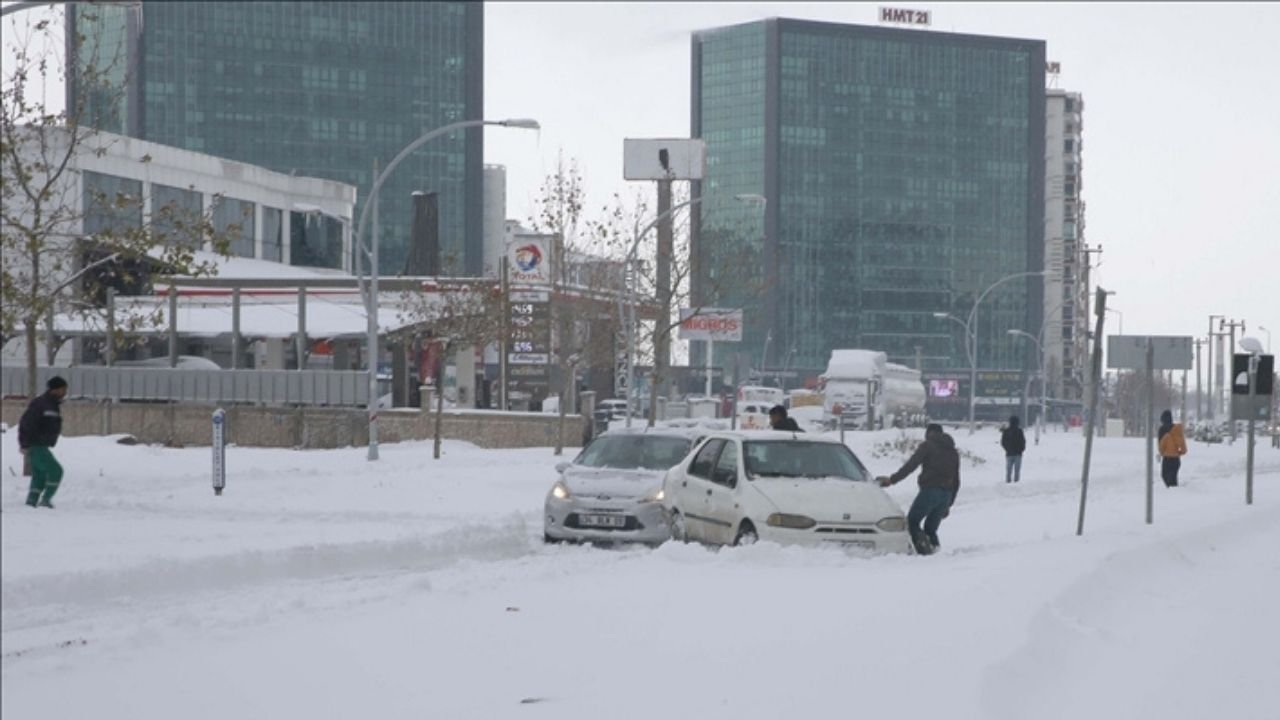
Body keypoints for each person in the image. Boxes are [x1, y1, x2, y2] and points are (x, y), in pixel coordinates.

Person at [877, 423, 961, 555]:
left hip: (930, 491)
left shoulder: (928, 446)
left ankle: (924, 553)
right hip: (946, 494)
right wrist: (949, 504)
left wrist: (892, 480)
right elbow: (956, 480)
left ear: (929, 433)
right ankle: (935, 552)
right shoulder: (953, 452)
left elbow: (911, 465)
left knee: (912, 522)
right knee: (931, 529)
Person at [19, 376, 68, 509]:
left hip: (40, 444)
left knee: (39, 475)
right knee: (56, 471)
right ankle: (46, 500)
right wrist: (25, 443)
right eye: (63, 389)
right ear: (55, 389)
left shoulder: (51, 404)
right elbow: (26, 423)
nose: (65, 392)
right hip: (36, 444)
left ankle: (31, 502)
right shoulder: (42, 404)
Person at [1157, 409, 1187, 487]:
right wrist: (1178, 453)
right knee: (1173, 480)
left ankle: (1171, 496)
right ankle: (1174, 496)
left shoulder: (1162, 430)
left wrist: (1162, 453)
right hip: (1176, 459)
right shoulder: (1177, 429)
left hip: (1167, 459)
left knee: (1165, 477)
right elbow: (1183, 448)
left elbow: (1160, 446)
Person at [1000, 415, 1027, 483]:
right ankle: (1016, 482)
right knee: (1017, 470)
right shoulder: (1020, 431)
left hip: (1009, 453)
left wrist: (1007, 449)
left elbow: (1003, 442)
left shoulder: (1006, 431)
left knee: (1009, 470)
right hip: (1018, 454)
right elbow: (1023, 441)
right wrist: (1021, 449)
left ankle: (1008, 481)